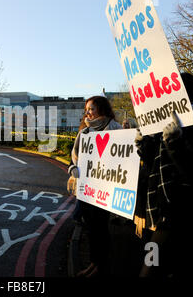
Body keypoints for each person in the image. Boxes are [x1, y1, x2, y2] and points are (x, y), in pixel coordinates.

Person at [135, 72, 193, 278]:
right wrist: (144, 143)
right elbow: (153, 168)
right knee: (154, 265)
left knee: (154, 270)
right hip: (162, 212)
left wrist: (175, 143)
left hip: (190, 214)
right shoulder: (165, 123)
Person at [69, 95, 122, 277]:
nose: (88, 113)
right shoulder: (85, 131)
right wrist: (73, 167)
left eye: (91, 109)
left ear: (102, 108)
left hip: (104, 189)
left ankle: (100, 265)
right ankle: (93, 262)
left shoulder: (114, 128)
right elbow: (75, 153)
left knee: (101, 228)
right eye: (87, 110)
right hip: (86, 187)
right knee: (91, 227)